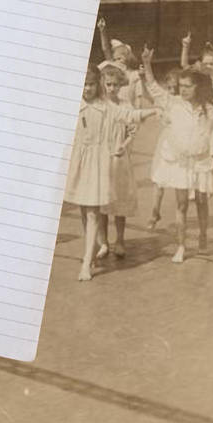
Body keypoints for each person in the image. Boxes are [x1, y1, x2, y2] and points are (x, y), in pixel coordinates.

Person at [141, 46, 213, 263]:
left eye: (188, 86)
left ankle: (203, 236)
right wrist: (147, 64)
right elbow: (154, 88)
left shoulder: (208, 110)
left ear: (199, 87)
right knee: (181, 205)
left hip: (201, 163)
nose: (183, 90)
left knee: (202, 202)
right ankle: (181, 246)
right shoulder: (173, 103)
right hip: (181, 163)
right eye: (181, 86)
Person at [64, 65, 157, 281]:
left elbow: (129, 115)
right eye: (84, 84)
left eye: (91, 84)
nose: (87, 89)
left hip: (98, 162)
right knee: (84, 210)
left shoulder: (106, 106)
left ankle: (86, 263)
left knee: (93, 212)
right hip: (80, 163)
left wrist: (153, 111)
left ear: (97, 85)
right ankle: (93, 248)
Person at [97, 65, 139, 259]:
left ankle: (120, 240)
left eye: (115, 85)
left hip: (120, 158)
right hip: (102, 158)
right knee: (102, 202)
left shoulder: (125, 106)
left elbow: (133, 131)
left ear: (121, 85)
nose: (112, 88)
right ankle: (103, 242)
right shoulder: (99, 106)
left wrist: (124, 145)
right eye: (108, 84)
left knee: (119, 200)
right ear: (103, 84)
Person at [180, 32, 213, 156]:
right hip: (198, 125)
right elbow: (184, 65)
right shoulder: (197, 80)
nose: (208, 66)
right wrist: (185, 46)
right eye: (205, 63)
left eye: (211, 64)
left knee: (210, 161)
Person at [144, 67, 182, 230]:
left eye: (176, 88)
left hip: (182, 145)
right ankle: (155, 212)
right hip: (166, 144)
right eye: (170, 87)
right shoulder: (165, 98)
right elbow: (152, 86)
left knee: (180, 184)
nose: (172, 91)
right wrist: (147, 65)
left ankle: (180, 218)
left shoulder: (187, 101)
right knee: (159, 181)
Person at [96, 18, 142, 108]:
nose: (119, 60)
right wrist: (102, 30)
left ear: (127, 58)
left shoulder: (130, 72)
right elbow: (105, 49)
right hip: (112, 90)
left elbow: (133, 77)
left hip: (124, 94)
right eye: (116, 58)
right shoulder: (113, 64)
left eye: (121, 57)